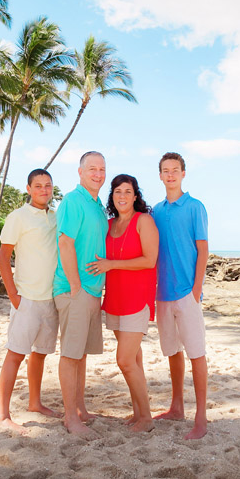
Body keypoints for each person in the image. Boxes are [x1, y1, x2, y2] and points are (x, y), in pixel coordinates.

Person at [87, 174, 158, 433]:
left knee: (125, 360)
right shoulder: (109, 224)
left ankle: (147, 418)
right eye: (118, 191)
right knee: (134, 359)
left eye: (128, 191)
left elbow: (150, 260)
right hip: (115, 298)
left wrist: (112, 264)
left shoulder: (144, 221)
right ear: (112, 196)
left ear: (135, 196)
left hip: (137, 299)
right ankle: (138, 413)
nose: (123, 196)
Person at [0, 169, 61, 434]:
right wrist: (13, 294)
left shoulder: (56, 217)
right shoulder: (18, 217)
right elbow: (3, 257)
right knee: (15, 354)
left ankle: (35, 403)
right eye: (38, 186)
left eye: (48, 185)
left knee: (40, 354)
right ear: (29, 189)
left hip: (51, 298)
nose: (44, 190)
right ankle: (2, 415)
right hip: (26, 299)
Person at [153, 152, 210, 440]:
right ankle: (177, 407)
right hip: (162, 294)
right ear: (160, 176)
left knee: (196, 353)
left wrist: (196, 289)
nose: (171, 175)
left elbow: (203, 250)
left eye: (175, 170)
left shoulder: (195, 207)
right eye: (166, 170)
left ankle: (201, 417)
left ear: (183, 173)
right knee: (173, 352)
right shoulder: (156, 211)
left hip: (188, 293)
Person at [53, 151, 108, 439]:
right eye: (92, 169)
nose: (98, 174)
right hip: (75, 290)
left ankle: (80, 409)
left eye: (102, 169)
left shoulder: (97, 205)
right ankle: (70, 418)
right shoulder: (73, 200)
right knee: (71, 354)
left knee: (81, 354)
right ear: (80, 172)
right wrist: (75, 285)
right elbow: (65, 243)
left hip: (92, 291)